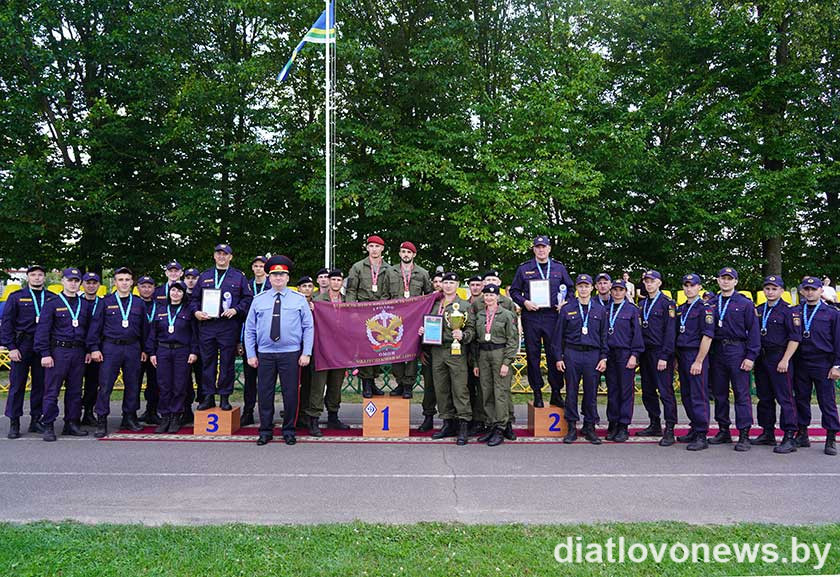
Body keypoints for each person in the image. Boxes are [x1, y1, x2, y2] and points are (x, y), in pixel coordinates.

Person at [244, 255, 313, 446]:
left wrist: (306, 352)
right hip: (265, 353)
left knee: (290, 393)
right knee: (265, 393)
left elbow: (308, 327)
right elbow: (249, 328)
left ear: (288, 278)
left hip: (290, 353)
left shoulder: (299, 300)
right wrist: (251, 354)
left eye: (282, 275)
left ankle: (289, 430)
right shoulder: (259, 300)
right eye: (274, 275)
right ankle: (265, 430)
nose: (278, 278)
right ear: (269, 278)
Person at [509, 235, 574, 408]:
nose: (541, 250)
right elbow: (514, 291)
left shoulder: (559, 268)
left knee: (555, 355)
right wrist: (525, 302)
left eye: (543, 247)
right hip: (532, 316)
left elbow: (570, 289)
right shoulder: (524, 268)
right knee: (532, 356)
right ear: (534, 249)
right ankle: (537, 392)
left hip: (553, 316)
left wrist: (565, 303)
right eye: (537, 247)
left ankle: (556, 393)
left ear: (549, 248)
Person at [33, 268, 94, 441]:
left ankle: (71, 423)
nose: (73, 283)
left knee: (75, 390)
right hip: (58, 351)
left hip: (78, 351)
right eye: (70, 280)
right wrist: (45, 353)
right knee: (52, 390)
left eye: (76, 281)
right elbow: (43, 330)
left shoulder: (84, 304)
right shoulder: (52, 303)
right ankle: (49, 424)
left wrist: (88, 350)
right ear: (63, 281)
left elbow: (89, 330)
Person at [88, 267, 150, 437]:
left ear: (132, 283)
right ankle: (101, 419)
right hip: (110, 347)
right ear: (115, 282)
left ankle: (129, 417)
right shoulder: (105, 302)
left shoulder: (138, 303)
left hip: (133, 348)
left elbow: (145, 329)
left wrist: (145, 349)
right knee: (106, 384)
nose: (124, 283)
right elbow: (95, 327)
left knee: (133, 384)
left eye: (127, 280)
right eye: (120, 279)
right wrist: (94, 348)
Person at [192, 243, 253, 411]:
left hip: (228, 326)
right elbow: (194, 300)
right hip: (207, 325)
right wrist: (197, 312)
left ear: (230, 257)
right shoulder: (205, 276)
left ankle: (225, 397)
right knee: (207, 362)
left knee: (227, 363)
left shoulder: (238, 276)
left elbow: (247, 299)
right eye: (218, 254)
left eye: (225, 254)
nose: (221, 257)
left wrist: (236, 309)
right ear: (214, 256)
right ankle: (208, 396)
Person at [419, 272, 475, 445]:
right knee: (441, 389)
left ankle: (463, 425)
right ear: (441, 285)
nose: (448, 285)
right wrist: (423, 333)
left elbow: (472, 330)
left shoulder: (464, 306)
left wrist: (463, 334)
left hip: (456, 350)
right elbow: (428, 323)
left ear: (457, 285)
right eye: (445, 282)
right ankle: (447, 423)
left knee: (459, 388)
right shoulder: (435, 305)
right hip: (437, 351)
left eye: (452, 282)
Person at [708, 267, 760, 452]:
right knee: (720, 394)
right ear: (718, 280)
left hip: (738, 350)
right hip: (717, 351)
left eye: (730, 278)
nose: (726, 281)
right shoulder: (712, 303)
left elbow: (753, 332)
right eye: (723, 278)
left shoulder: (745, 304)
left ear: (736, 282)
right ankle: (723, 429)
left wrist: (751, 356)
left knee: (741, 394)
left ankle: (744, 433)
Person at [553, 274, 608, 445]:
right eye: (580, 286)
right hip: (572, 353)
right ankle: (571, 427)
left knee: (591, 392)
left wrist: (604, 357)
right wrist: (558, 357)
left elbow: (604, 336)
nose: (583, 289)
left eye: (586, 286)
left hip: (592, 354)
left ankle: (590, 426)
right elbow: (558, 336)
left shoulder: (600, 309)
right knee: (571, 392)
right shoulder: (567, 308)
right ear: (576, 288)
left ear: (592, 288)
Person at [1, 265, 55, 438]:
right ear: (28, 277)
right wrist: (11, 347)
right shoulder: (17, 297)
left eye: (40, 275)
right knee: (17, 385)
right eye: (33, 275)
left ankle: (35, 420)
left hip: (43, 346)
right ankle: (14, 422)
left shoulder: (51, 298)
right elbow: (7, 323)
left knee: (40, 385)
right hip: (22, 345)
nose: (37, 278)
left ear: (44, 277)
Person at [751, 276, 801, 454]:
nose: (770, 292)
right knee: (764, 397)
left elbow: (795, 338)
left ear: (781, 291)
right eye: (767, 288)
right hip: (762, 358)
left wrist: (785, 359)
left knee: (785, 397)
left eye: (774, 289)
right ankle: (767, 432)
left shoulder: (789, 311)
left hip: (780, 357)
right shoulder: (758, 309)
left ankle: (789, 436)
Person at [792, 276, 840, 455]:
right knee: (801, 399)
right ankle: (802, 433)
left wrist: (837, 365)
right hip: (801, 361)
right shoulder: (796, 311)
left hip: (823, 362)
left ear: (821, 291)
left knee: (826, 401)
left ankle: (830, 437)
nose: (810, 292)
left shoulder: (832, 313)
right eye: (807, 289)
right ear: (803, 291)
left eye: (814, 289)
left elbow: (838, 341)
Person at [146, 281, 199, 434]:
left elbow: (194, 334)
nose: (176, 293)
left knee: (179, 385)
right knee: (163, 385)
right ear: (169, 293)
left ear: (183, 294)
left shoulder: (188, 311)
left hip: (182, 351)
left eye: (179, 291)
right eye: (173, 290)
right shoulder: (161, 310)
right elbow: (153, 334)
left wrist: (194, 351)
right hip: (163, 351)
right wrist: (152, 353)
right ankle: (165, 416)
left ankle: (176, 416)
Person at [304, 268, 351, 436]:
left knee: (335, 385)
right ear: (329, 282)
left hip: (340, 350)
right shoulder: (317, 301)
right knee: (318, 385)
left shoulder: (347, 301)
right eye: (333, 280)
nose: (336, 283)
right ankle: (313, 418)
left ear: (342, 282)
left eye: (339, 280)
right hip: (322, 349)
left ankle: (333, 416)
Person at [384, 241, 433, 399]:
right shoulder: (390, 272)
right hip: (395, 320)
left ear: (414, 255)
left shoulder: (422, 273)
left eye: (409, 252)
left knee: (411, 353)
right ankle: (399, 382)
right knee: (395, 350)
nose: (406, 254)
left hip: (414, 320)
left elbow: (429, 296)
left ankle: (408, 384)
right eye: (403, 251)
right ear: (399, 254)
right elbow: (384, 296)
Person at [472, 284, 518, 446]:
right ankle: (491, 424)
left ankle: (501, 427)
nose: (489, 298)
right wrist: (476, 363)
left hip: (500, 354)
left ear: (498, 297)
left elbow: (513, 340)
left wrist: (507, 362)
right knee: (486, 391)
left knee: (500, 392)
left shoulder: (506, 315)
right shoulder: (479, 316)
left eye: (492, 295)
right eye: (486, 295)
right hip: (483, 354)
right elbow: (476, 342)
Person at [345, 235, 392, 397]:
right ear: (367, 248)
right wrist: (353, 312)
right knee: (365, 348)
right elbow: (351, 291)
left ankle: (373, 382)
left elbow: (391, 292)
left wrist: (384, 309)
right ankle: (366, 383)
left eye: (377, 247)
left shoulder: (389, 268)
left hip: (381, 311)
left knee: (378, 348)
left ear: (382, 249)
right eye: (371, 246)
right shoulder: (357, 267)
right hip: (362, 311)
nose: (374, 249)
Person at [636, 270, 678, 446]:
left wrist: (665, 356)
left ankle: (669, 428)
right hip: (645, 352)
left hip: (660, 352)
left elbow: (670, 332)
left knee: (665, 391)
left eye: (652, 281)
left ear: (659, 283)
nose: (648, 284)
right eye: (646, 281)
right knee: (647, 391)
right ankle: (654, 423)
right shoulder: (643, 303)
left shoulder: (667, 304)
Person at [674, 274, 715, 451]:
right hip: (682, 354)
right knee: (686, 395)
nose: (689, 288)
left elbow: (707, 337)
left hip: (696, 355)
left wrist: (699, 361)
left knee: (698, 395)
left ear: (700, 288)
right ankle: (694, 427)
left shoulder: (705, 309)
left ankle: (701, 434)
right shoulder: (681, 308)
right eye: (686, 285)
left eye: (692, 285)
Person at [604, 279, 644, 442]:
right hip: (609, 353)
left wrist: (635, 355)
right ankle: (613, 422)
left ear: (625, 292)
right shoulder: (605, 309)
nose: (617, 292)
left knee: (625, 391)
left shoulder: (632, 310)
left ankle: (623, 425)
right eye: (615, 290)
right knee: (612, 390)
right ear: (611, 291)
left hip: (625, 354)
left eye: (621, 290)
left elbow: (637, 334)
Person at [240, 256, 269, 426]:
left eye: (262, 266)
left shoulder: (273, 286)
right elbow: (240, 317)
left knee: (267, 380)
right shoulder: (246, 286)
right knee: (250, 379)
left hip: (268, 338)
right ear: (252, 268)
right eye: (256, 266)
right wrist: (239, 340)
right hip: (250, 337)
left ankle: (266, 414)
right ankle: (248, 411)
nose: (259, 269)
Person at [417, 270, 444, 432]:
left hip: (448, 351)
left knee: (447, 387)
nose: (439, 285)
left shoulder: (455, 303)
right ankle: (428, 417)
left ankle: (449, 419)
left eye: (442, 282)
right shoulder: (426, 303)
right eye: (436, 282)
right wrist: (420, 348)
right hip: (430, 351)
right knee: (429, 387)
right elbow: (416, 325)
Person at [136, 276, 161, 425]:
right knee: (134, 383)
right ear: (138, 287)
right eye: (143, 286)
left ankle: (152, 411)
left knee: (154, 383)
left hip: (155, 351)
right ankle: (131, 412)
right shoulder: (133, 304)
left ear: (154, 288)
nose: (146, 289)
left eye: (149, 286)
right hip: (137, 351)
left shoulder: (159, 306)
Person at [80, 272, 102, 426]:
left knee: (93, 383)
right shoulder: (77, 302)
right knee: (73, 384)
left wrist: (93, 349)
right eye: (88, 282)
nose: (91, 285)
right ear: (83, 284)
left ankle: (88, 412)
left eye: (94, 283)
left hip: (96, 349)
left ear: (99, 285)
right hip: (77, 349)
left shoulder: (103, 303)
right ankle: (73, 415)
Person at [295, 275, 316, 425]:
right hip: (295, 347)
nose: (307, 289)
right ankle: (295, 412)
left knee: (309, 382)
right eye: (304, 286)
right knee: (295, 383)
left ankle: (306, 413)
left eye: (309, 286)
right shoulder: (294, 302)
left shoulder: (318, 304)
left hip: (312, 348)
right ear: (298, 288)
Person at [182, 267, 202, 421]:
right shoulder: (178, 294)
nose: (191, 280)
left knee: (203, 375)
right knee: (184, 378)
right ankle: (186, 410)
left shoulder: (204, 295)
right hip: (185, 342)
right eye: (188, 277)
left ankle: (203, 406)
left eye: (194, 278)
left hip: (202, 340)